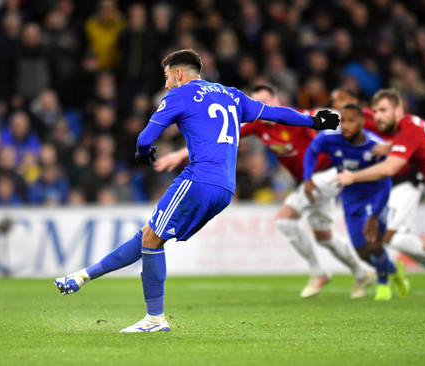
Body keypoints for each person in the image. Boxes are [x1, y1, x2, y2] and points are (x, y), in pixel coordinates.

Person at [54, 49, 339, 332]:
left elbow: (145, 137)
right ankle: (84, 276)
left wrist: (143, 152)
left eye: (167, 76)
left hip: (199, 179)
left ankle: (154, 320)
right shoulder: (232, 94)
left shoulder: (179, 95)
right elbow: (275, 114)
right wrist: (314, 120)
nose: (166, 84)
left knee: (152, 240)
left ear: (178, 74)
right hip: (225, 188)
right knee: (150, 236)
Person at [155, 85, 375, 299]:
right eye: (257, 102)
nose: (262, 107)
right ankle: (361, 272)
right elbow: (220, 136)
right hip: (308, 182)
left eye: (266, 102)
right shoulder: (259, 125)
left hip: (325, 176)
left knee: (284, 220)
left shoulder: (295, 118)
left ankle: (318, 272)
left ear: (277, 101)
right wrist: (180, 154)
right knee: (324, 236)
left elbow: (325, 119)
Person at [335, 89, 425, 301]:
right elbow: (418, 144)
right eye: (376, 110)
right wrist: (392, 146)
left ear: (398, 111)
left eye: (384, 110)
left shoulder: (407, 131)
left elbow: (389, 169)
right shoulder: (411, 123)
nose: (378, 116)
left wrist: (353, 177)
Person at [305, 103, 410, 301]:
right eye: (343, 120)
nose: (345, 125)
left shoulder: (374, 146)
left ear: (361, 122)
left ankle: (383, 282)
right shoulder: (331, 139)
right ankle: (394, 269)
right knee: (361, 252)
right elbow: (311, 151)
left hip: (375, 196)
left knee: (374, 244)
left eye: (351, 121)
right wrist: (308, 178)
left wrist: (374, 214)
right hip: (351, 200)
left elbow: (386, 182)